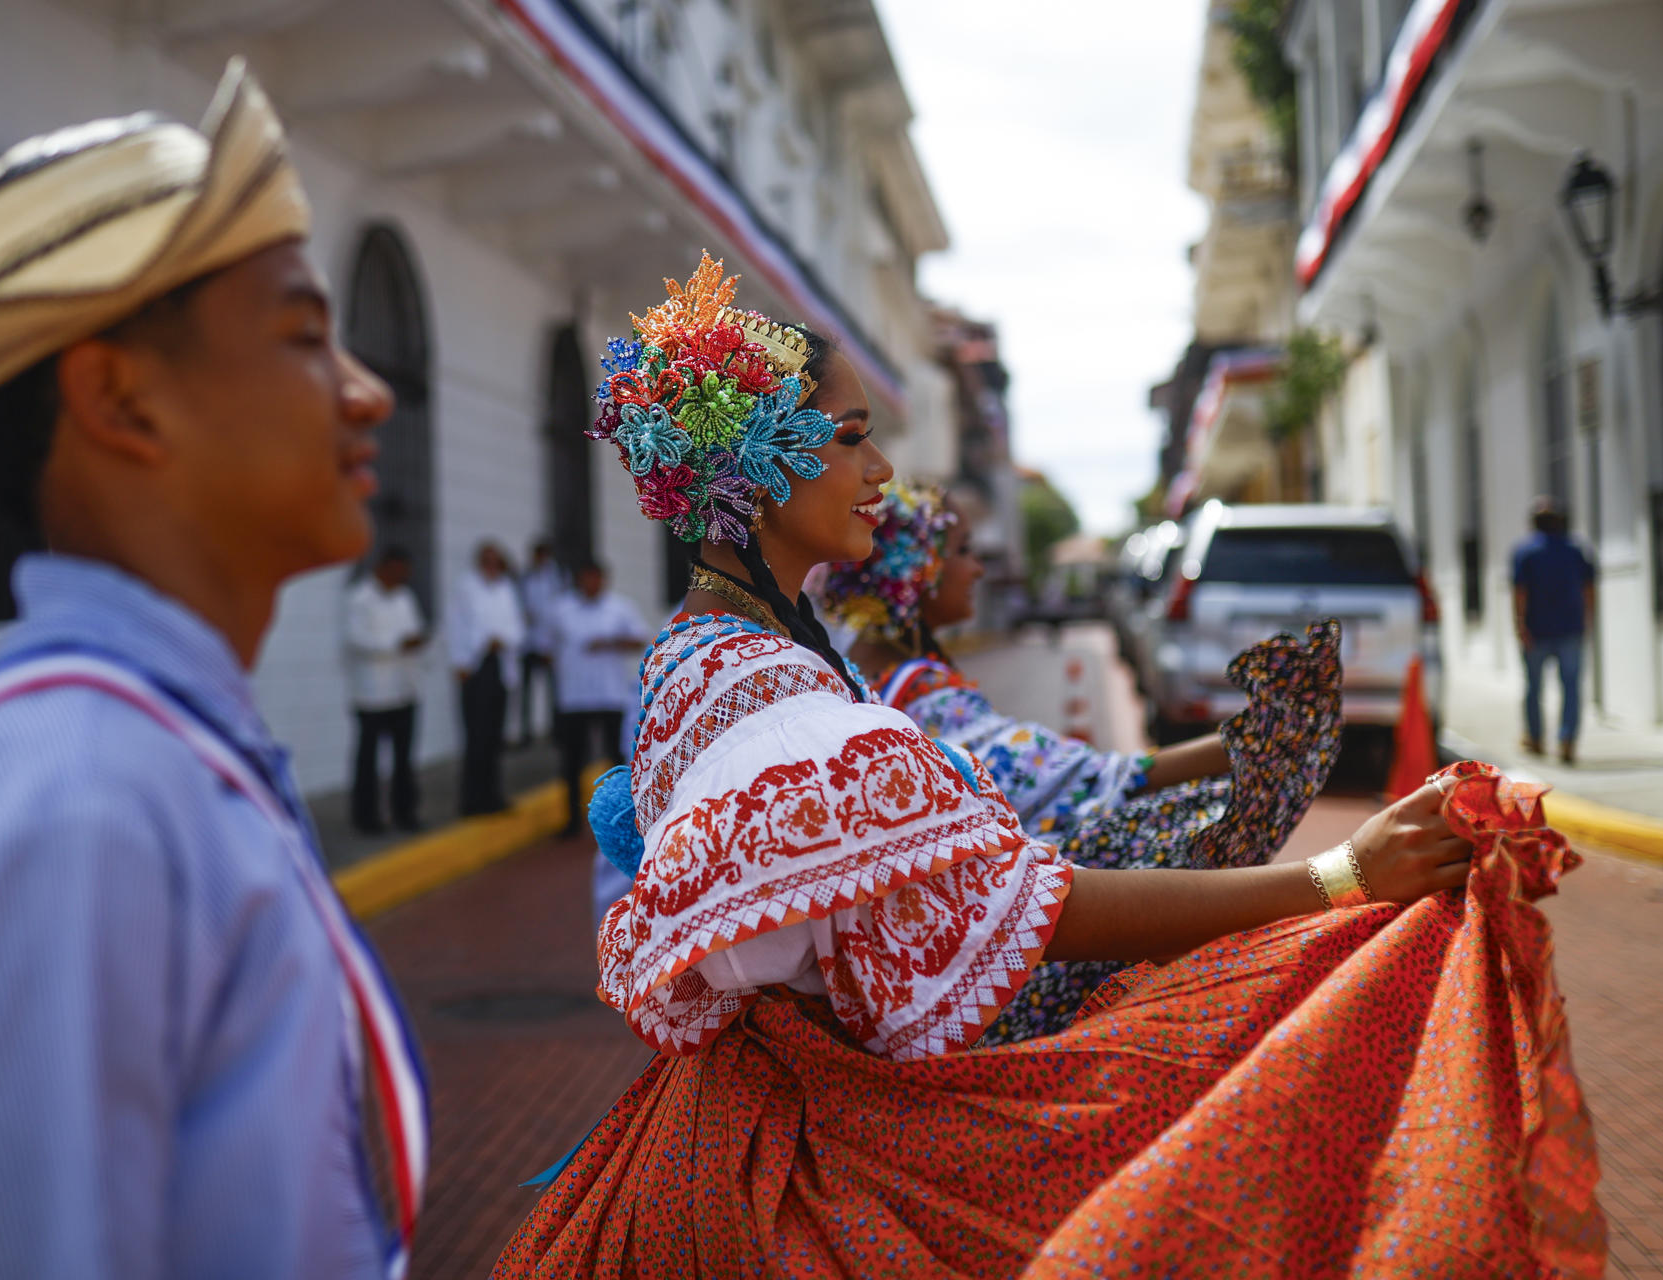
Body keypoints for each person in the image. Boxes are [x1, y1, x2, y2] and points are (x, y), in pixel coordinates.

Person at [495, 254, 1602, 1277]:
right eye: (849, 436)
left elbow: (1047, 831)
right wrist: (1342, 878)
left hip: (732, 1137)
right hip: (801, 1178)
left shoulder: (710, 658)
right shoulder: (787, 709)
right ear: (756, 456)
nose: (880, 471)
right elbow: (1035, 899)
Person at [0, 63, 427, 1277]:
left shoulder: (144, 763)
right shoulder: (73, 808)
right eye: (304, 334)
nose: (367, 390)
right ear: (120, 396)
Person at [822, 479, 1324, 1041]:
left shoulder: (849, 678)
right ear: (915, 570)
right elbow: (1076, 781)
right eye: (962, 550)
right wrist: (1250, 745)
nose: (979, 570)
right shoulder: (920, 696)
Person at [547, 559, 646, 838]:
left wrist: (611, 642)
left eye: (597, 578)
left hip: (609, 693)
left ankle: (625, 816)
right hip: (574, 696)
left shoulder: (620, 607)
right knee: (572, 760)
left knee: (614, 757)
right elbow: (545, 645)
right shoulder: (561, 610)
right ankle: (572, 820)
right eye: (587, 578)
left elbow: (640, 638)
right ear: (580, 580)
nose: (593, 583)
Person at [345, 545, 426, 834]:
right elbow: (357, 640)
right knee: (368, 761)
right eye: (398, 570)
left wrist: (415, 642)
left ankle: (405, 812)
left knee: (404, 759)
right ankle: (366, 818)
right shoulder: (359, 598)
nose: (403, 576)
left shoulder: (405, 597)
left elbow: (414, 630)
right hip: (372, 695)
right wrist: (396, 644)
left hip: (404, 689)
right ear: (383, 568)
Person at [1513, 497, 1596, 765]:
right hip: (1571, 628)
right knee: (1570, 687)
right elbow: (1588, 588)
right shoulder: (1575, 550)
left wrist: (1520, 624)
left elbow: (1520, 592)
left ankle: (1536, 739)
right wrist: (1588, 620)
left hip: (1536, 630)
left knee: (1533, 687)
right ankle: (1567, 740)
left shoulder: (1525, 552)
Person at [448, 540, 524, 814]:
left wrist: (502, 639)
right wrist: (461, 660)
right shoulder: (466, 587)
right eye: (487, 561)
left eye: (496, 561)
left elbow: (516, 627)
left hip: (501, 666)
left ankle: (493, 796)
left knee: (494, 736)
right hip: (475, 666)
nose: (492, 566)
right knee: (475, 737)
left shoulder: (506, 589)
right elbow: (458, 625)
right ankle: (471, 801)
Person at [518, 538, 566, 744]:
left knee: (554, 689)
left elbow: (556, 612)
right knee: (526, 690)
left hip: (549, 643)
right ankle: (525, 731)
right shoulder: (526, 578)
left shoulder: (557, 578)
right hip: (529, 642)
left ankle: (556, 729)